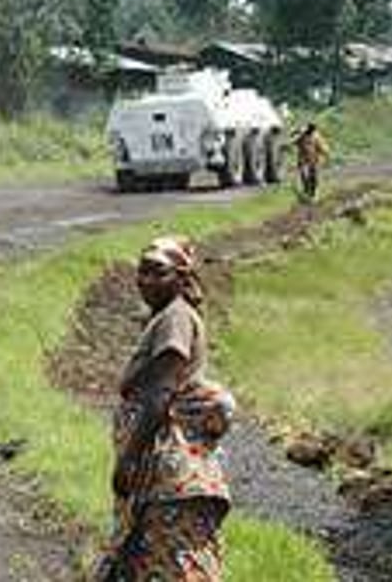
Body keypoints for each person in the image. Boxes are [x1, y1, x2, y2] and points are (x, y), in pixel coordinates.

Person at [95, 237, 235, 582]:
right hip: (170, 477)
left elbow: (160, 393)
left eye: (158, 272)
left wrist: (127, 459)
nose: (145, 280)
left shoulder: (175, 319)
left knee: (169, 568)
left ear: (182, 278)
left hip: (171, 477)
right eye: (141, 271)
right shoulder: (168, 317)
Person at [291, 122, 329, 202]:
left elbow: (323, 148)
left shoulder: (316, 137)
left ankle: (314, 194)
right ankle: (307, 190)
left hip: (314, 160)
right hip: (303, 160)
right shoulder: (301, 136)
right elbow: (293, 142)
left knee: (314, 177)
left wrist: (324, 155)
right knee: (304, 175)